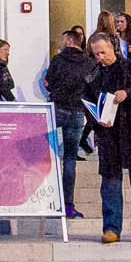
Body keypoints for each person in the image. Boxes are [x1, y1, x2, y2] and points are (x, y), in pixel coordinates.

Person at [85, 32, 131, 245]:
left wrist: (128, 93)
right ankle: (111, 228)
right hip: (108, 134)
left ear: (112, 48)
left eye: (103, 52)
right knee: (109, 184)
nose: (99, 57)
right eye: (96, 54)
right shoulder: (93, 75)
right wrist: (96, 120)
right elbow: (87, 102)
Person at [42, 28, 94, 219]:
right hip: (77, 112)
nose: (62, 44)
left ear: (70, 41)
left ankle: (46, 200)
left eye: (64, 40)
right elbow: (91, 86)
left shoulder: (58, 60)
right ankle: (68, 205)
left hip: (57, 108)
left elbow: (48, 82)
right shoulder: (89, 62)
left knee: (47, 156)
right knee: (70, 160)